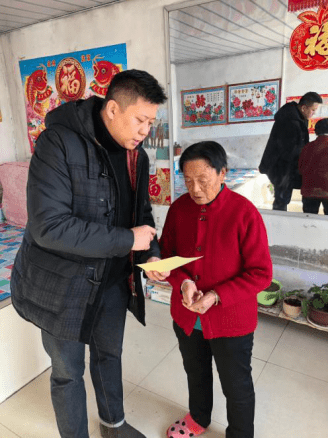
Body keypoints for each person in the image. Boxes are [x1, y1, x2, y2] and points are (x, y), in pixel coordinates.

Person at [10, 69, 170, 438]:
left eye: (151, 121)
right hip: (61, 287)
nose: (147, 130)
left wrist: (151, 258)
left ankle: (113, 426)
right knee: (68, 372)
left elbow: (140, 218)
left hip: (112, 282)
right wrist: (128, 241)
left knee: (108, 356)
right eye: (141, 120)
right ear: (113, 109)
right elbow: (48, 226)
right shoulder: (57, 143)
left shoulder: (137, 157)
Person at [160, 141, 272, 438]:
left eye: (203, 180)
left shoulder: (244, 213)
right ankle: (198, 418)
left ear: (222, 174)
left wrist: (216, 295)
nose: (195, 189)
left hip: (231, 320)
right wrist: (183, 282)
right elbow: (167, 255)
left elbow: (261, 273)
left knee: (236, 383)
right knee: (196, 372)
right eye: (188, 180)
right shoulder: (179, 209)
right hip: (186, 316)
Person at [259, 92, 323, 211]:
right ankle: (278, 222)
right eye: (313, 110)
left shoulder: (299, 118)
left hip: (288, 165)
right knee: (282, 199)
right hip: (280, 166)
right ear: (304, 107)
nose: (313, 114)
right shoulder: (289, 121)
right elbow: (288, 151)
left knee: (285, 196)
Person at [298, 118, 328, 215]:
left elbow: (300, 168)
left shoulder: (307, 147)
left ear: (316, 131)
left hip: (308, 190)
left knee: (309, 222)